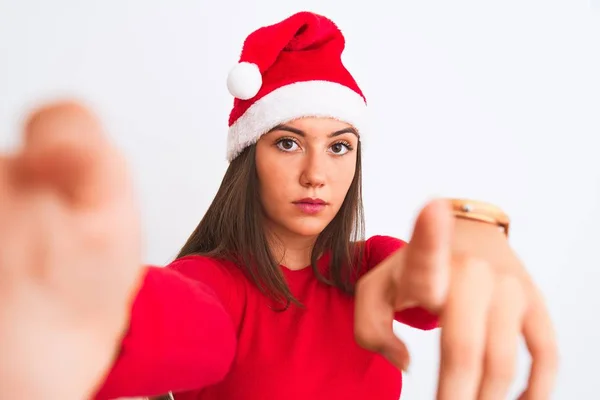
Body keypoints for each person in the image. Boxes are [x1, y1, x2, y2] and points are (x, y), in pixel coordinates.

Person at [0, 11, 557, 400]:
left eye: (340, 146)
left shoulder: (371, 268)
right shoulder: (213, 286)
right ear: (249, 158)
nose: (317, 173)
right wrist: (95, 318)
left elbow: (432, 289)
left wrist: (471, 235)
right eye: (287, 142)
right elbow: (179, 326)